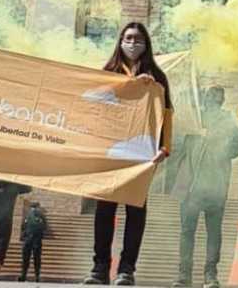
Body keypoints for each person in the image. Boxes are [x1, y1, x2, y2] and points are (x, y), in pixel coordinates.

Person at [83, 22, 173, 286]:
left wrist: (165, 147)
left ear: (146, 44)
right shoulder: (108, 71)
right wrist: (128, 85)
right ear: (120, 41)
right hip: (110, 153)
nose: (133, 43)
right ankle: (100, 268)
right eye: (128, 38)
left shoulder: (157, 75)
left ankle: (127, 269)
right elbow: (91, 102)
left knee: (136, 210)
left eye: (138, 39)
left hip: (142, 153)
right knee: (104, 209)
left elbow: (168, 114)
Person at [171, 86, 238, 288]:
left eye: (217, 98)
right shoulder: (194, 119)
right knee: (187, 231)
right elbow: (177, 142)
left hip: (216, 185)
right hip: (190, 185)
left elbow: (237, 146)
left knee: (214, 232)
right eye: (211, 97)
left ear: (222, 101)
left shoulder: (228, 122)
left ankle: (210, 275)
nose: (213, 101)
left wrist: (220, 149)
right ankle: (184, 275)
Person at [19, 202, 47, 283]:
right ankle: (27, 275)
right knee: (31, 258)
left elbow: (23, 227)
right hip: (33, 239)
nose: (34, 209)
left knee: (31, 258)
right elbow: (45, 226)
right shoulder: (36, 215)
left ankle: (33, 276)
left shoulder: (30, 215)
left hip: (32, 239)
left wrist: (24, 235)